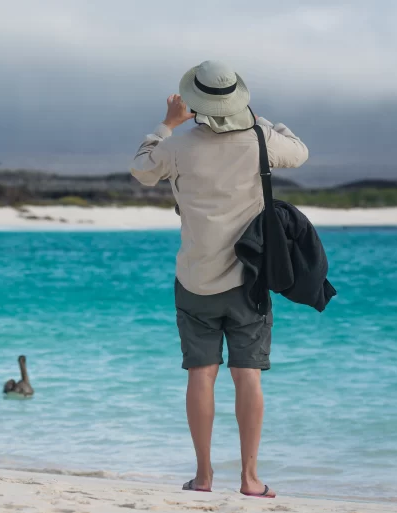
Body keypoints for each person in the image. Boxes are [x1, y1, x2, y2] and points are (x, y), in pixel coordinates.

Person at [130, 61, 308, 498]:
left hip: (194, 276)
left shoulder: (179, 145)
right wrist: (259, 118)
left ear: (193, 101)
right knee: (248, 376)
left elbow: (141, 169)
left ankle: (204, 476)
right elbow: (300, 151)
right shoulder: (259, 139)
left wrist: (167, 125)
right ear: (237, 100)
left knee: (200, 373)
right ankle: (250, 479)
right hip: (249, 280)